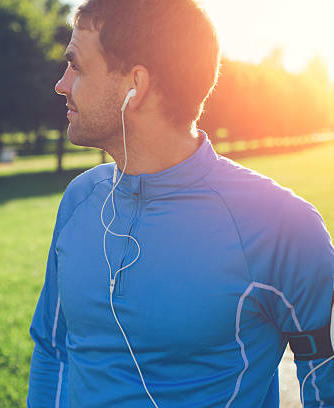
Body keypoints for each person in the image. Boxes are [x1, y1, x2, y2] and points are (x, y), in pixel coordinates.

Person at [26, 0, 334, 407]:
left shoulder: (283, 226)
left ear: (134, 85)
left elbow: (324, 381)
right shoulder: (79, 200)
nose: (61, 84)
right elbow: (53, 349)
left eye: (77, 66)